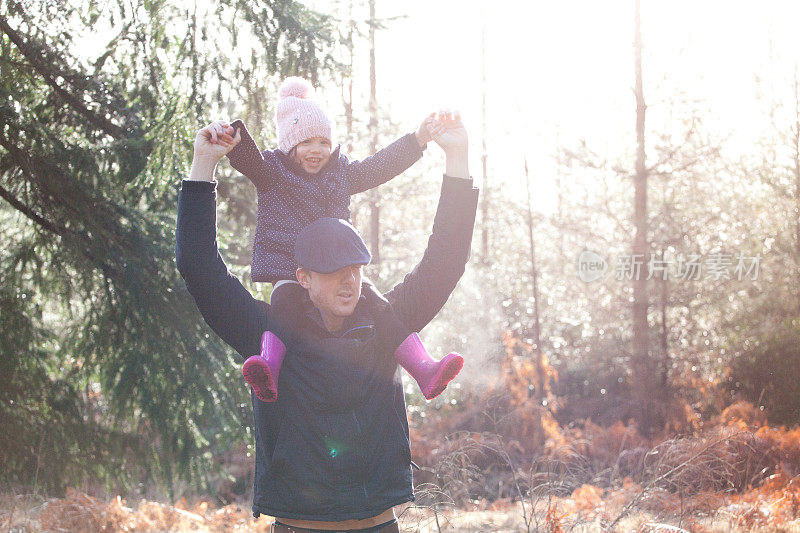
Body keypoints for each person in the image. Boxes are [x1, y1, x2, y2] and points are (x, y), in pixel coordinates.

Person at [176, 111, 478, 531]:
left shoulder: (384, 324)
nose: (349, 280)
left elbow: (446, 259)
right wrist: (203, 165)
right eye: (333, 269)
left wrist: (457, 159)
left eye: (355, 267)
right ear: (303, 277)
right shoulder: (268, 335)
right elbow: (200, 268)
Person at [206, 77, 463, 403]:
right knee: (283, 308)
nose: (317, 151)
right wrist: (232, 137)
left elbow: (378, 167)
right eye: (307, 142)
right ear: (289, 145)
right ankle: (268, 368)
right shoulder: (272, 172)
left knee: (380, 308)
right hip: (289, 268)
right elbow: (248, 159)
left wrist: (418, 139)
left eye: (324, 143)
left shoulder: (340, 173)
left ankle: (423, 367)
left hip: (339, 267)